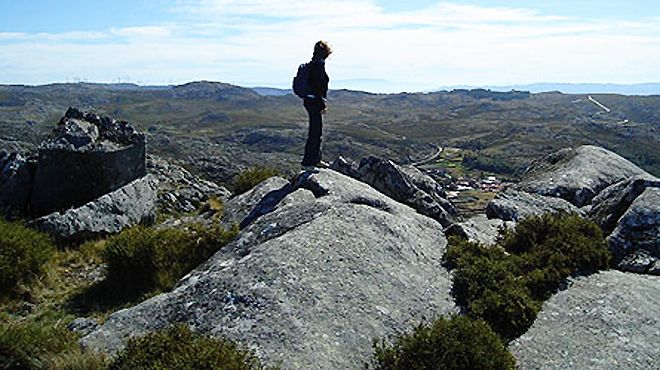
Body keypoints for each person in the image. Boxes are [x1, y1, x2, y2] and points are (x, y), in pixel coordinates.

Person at [301, 40, 332, 170]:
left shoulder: (315, 64)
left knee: (316, 131)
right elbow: (318, 88)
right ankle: (308, 163)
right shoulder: (318, 66)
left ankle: (316, 159)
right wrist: (322, 106)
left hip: (310, 100)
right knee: (315, 132)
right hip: (314, 102)